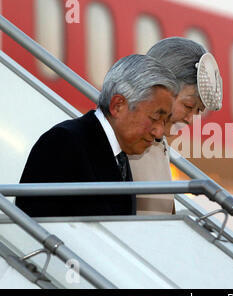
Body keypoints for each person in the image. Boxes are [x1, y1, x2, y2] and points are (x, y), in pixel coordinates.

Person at [15, 54, 179, 217]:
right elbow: (35, 222)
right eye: (156, 118)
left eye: (165, 121)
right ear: (118, 105)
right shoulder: (64, 142)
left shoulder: (119, 155)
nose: (159, 133)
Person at [129, 37, 223, 215]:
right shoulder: (128, 139)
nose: (190, 119)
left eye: (197, 111)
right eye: (188, 106)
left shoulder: (157, 144)